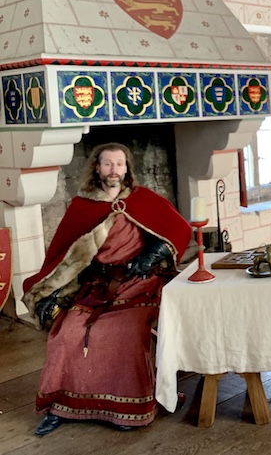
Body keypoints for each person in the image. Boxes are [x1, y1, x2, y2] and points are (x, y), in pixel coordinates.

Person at [22, 143, 192, 436]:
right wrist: (55, 288)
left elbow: (179, 229)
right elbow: (63, 254)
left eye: (119, 164)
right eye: (107, 164)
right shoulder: (82, 205)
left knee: (126, 334)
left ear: (127, 169)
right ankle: (59, 407)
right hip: (98, 286)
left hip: (142, 283)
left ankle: (128, 407)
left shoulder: (143, 199)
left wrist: (148, 257)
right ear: (96, 168)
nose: (114, 171)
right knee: (66, 333)